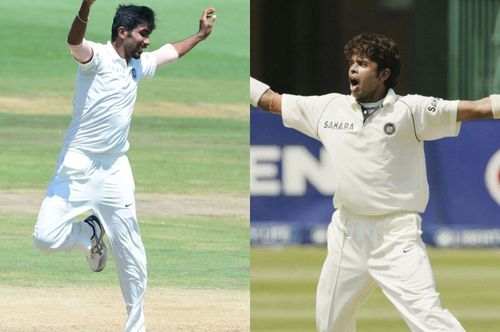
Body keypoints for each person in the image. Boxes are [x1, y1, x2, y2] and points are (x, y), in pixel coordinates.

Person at [250, 33, 500, 332]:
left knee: (428, 317)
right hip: (347, 234)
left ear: (384, 74)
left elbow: (477, 108)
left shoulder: (412, 110)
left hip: (396, 236)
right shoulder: (329, 108)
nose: (352, 70)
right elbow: (273, 102)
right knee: (330, 324)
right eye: (352, 63)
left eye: (363, 64)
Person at [32, 0, 216, 331]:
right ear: (122, 32)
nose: (147, 41)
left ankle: (136, 326)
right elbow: (74, 42)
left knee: (130, 251)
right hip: (78, 163)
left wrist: (200, 36)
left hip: (115, 168)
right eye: (143, 34)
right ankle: (89, 232)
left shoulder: (138, 64)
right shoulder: (97, 58)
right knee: (45, 238)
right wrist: (86, 5)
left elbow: (170, 52)